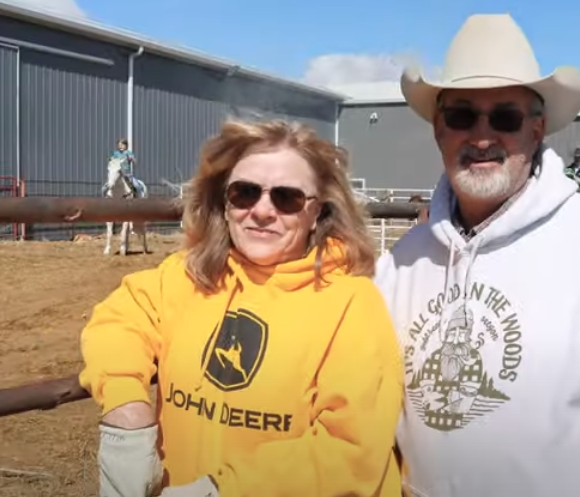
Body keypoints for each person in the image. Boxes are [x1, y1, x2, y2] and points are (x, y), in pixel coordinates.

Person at [374, 13, 580, 497]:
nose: (482, 136)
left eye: (506, 117)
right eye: (462, 115)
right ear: (438, 129)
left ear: (536, 131)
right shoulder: (404, 261)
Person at [79, 119, 404, 497]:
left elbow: (351, 449)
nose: (262, 211)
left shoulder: (352, 305)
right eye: (245, 192)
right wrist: (127, 410)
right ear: (224, 200)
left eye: (287, 198)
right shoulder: (189, 276)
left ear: (318, 211)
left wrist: (221, 491)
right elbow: (118, 320)